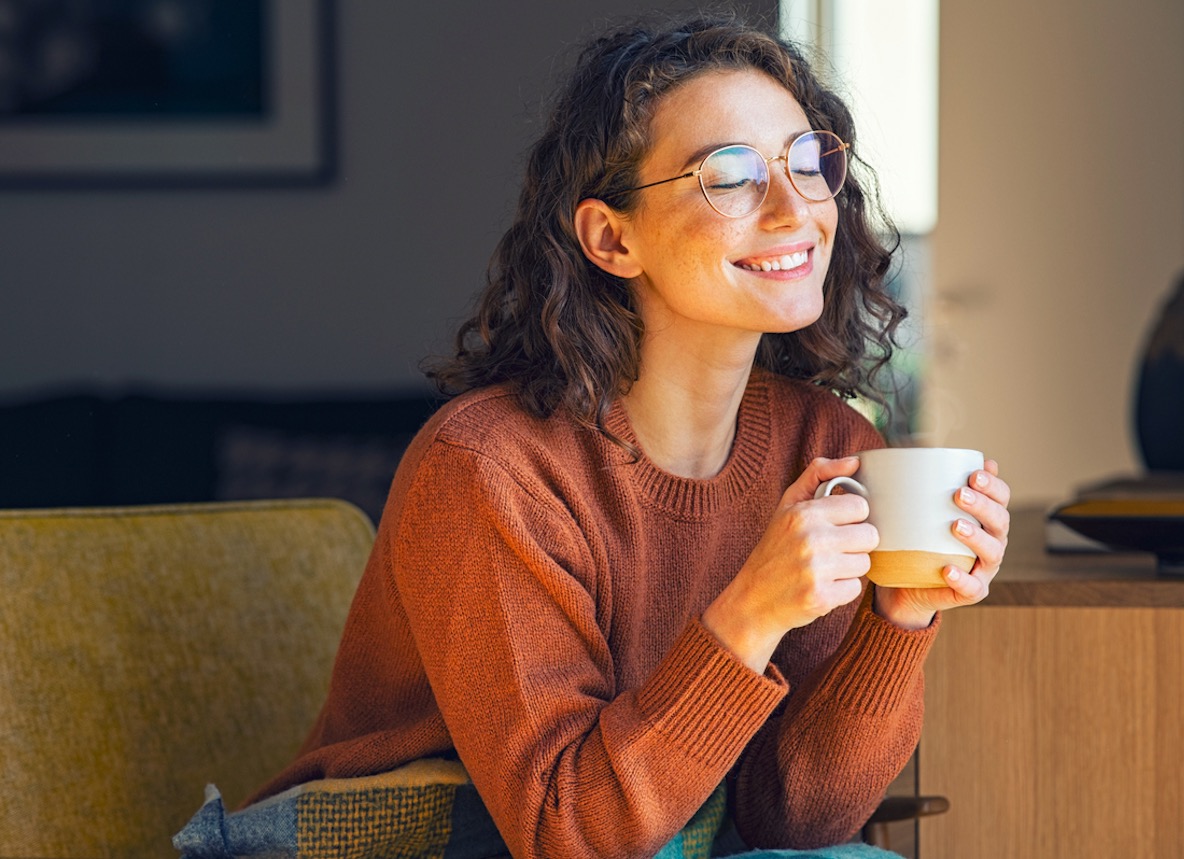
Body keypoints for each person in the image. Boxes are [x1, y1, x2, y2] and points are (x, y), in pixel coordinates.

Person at [245, 13, 1011, 858]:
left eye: (808, 161)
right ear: (613, 238)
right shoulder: (492, 469)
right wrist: (749, 613)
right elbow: (564, 833)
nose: (796, 208)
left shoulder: (829, 446)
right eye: (731, 176)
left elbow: (792, 823)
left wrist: (897, 622)